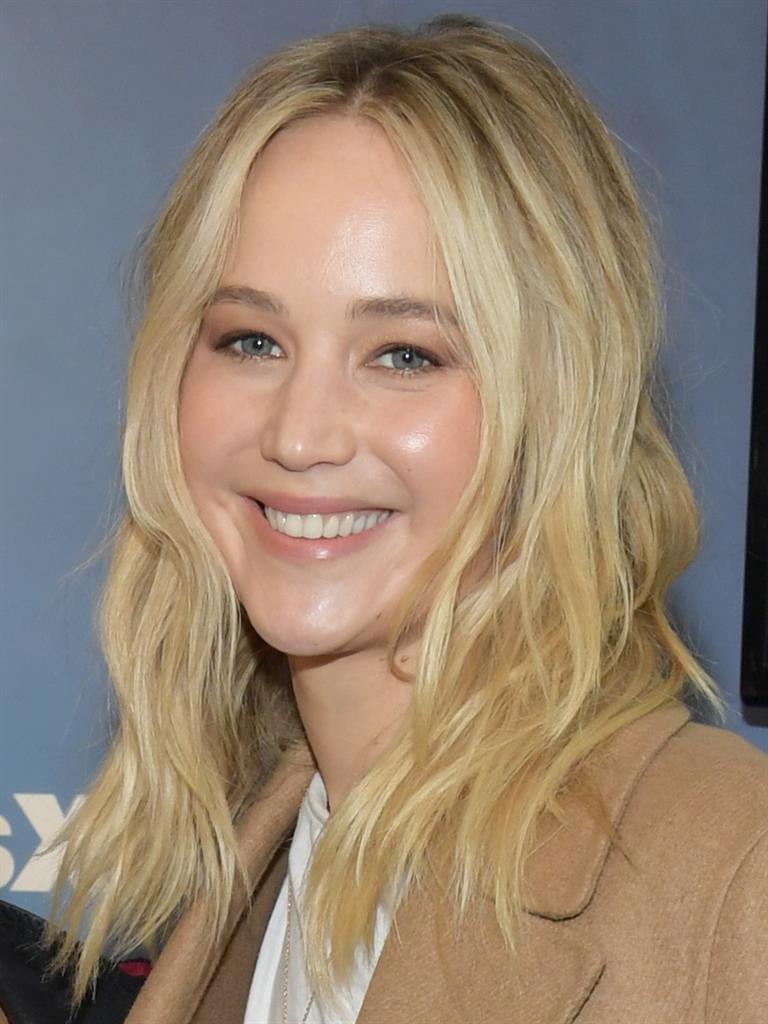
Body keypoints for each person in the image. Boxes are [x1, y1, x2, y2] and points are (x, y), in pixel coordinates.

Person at [1, 12, 766, 1024]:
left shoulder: (734, 874)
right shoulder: (237, 900)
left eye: (405, 354)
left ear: (553, 408)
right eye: (251, 340)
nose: (300, 433)